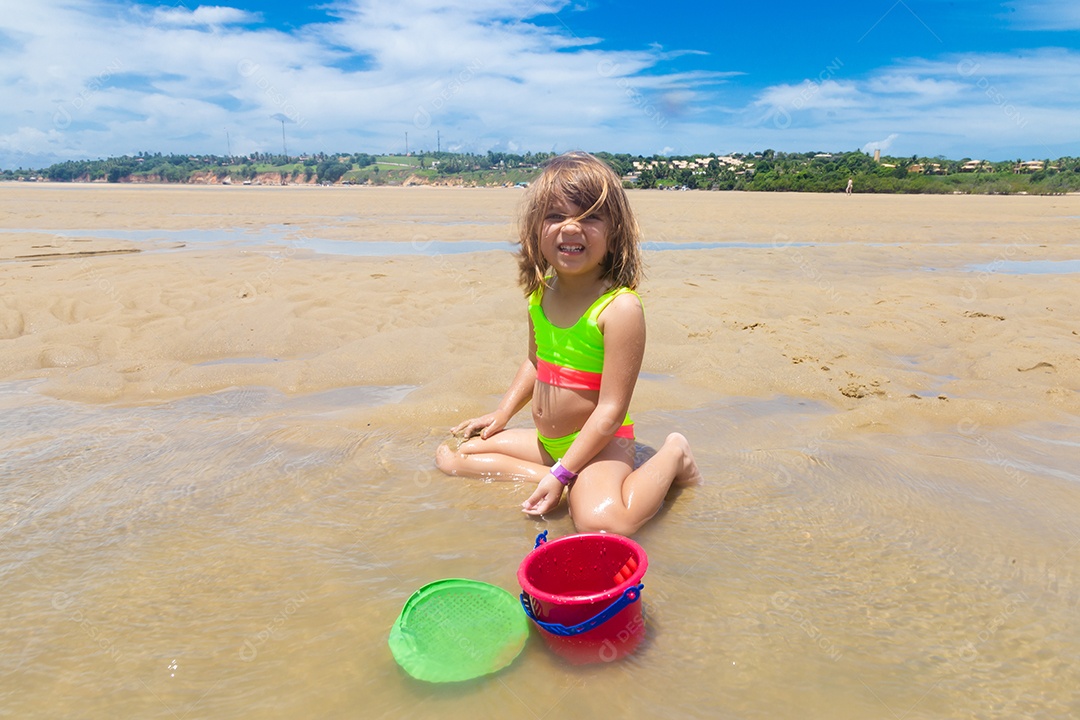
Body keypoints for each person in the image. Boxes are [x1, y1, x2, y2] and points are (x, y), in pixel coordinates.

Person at [435, 152, 700, 536]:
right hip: (550, 443)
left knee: (600, 522)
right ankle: (558, 477)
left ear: (615, 234)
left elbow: (610, 410)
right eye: (555, 216)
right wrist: (502, 414)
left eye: (590, 216)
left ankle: (673, 453)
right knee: (462, 453)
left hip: (601, 444)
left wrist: (565, 471)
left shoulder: (619, 308)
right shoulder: (541, 295)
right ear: (535, 230)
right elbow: (535, 361)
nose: (571, 228)